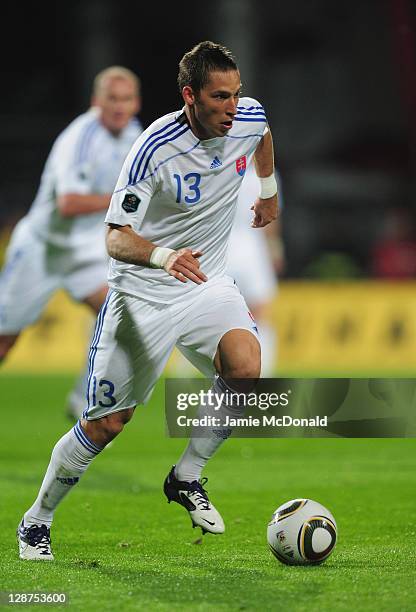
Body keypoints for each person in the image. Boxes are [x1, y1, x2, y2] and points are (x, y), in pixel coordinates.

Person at [17, 41, 278, 561]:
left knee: (246, 368)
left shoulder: (248, 117)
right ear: (190, 95)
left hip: (206, 284)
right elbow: (115, 237)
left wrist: (267, 190)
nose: (233, 106)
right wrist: (162, 257)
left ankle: (187, 475)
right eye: (220, 97)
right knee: (108, 423)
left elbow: (264, 135)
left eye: (236, 94)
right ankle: (37, 519)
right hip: (142, 296)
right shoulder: (154, 147)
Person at [0, 66, 142, 415]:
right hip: (42, 249)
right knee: (4, 342)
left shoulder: (134, 134)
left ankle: (84, 399)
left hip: (86, 253)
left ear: (136, 103)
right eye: (113, 99)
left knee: (122, 317)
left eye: (127, 99)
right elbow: (69, 202)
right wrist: (121, 197)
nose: (120, 107)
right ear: (97, 101)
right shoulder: (80, 138)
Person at [227, 162, 284, 375]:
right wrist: (276, 250)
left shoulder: (221, 169)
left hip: (224, 249)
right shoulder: (266, 175)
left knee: (210, 315)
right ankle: (265, 370)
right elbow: (271, 219)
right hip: (251, 250)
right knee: (259, 313)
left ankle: (186, 371)